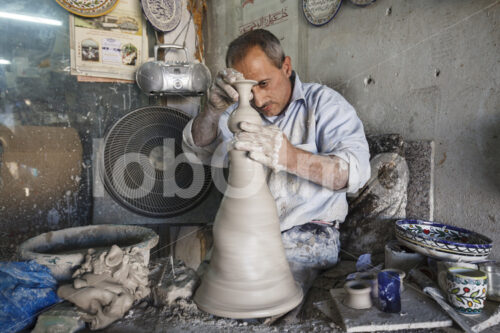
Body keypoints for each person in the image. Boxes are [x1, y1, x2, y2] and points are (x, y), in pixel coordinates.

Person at [182, 29, 371, 290]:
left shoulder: (324, 104)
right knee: (201, 293)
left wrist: (290, 157)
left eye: (263, 83)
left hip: (308, 234)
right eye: (247, 90)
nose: (258, 99)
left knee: (262, 295)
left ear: (286, 66)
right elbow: (198, 150)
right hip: (245, 234)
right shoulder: (237, 114)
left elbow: (353, 173)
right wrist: (213, 111)